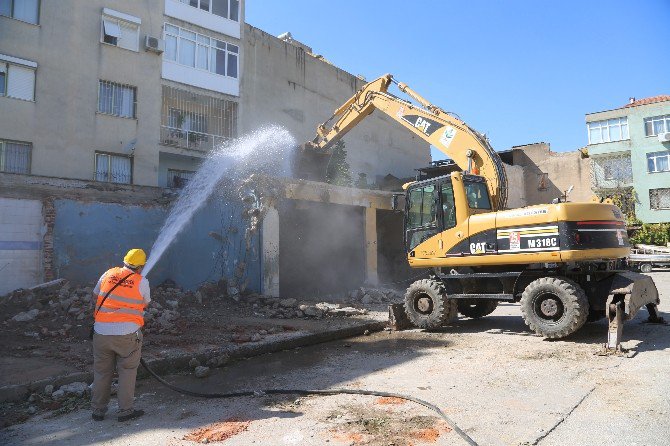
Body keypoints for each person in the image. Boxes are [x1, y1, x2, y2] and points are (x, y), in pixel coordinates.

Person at [91, 248, 150, 422]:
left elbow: (95, 295)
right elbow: (145, 303)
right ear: (141, 267)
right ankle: (125, 411)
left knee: (102, 372)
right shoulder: (142, 282)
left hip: (101, 332)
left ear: (124, 261)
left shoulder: (108, 273)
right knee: (127, 371)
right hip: (127, 334)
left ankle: (98, 411)